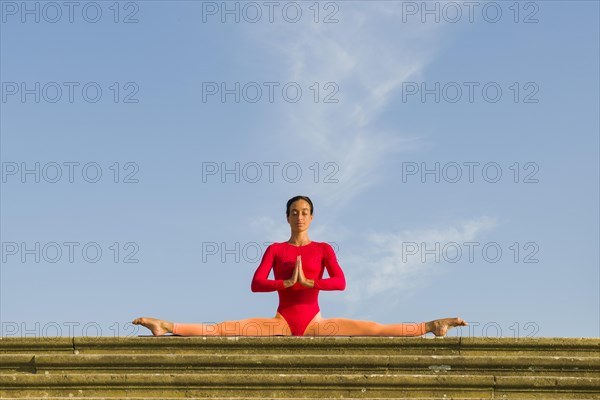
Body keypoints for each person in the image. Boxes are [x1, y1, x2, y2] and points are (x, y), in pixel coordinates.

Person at [133, 195, 467, 337]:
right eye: (294, 211)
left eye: (305, 211)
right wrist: (286, 284)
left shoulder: (322, 249)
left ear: (312, 216)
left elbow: (340, 282)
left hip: (316, 322)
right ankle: (165, 325)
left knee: (374, 328)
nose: (300, 216)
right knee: (223, 328)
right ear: (287, 216)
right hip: (281, 322)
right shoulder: (276, 249)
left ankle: (432, 325)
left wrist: (310, 283)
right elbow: (256, 283)